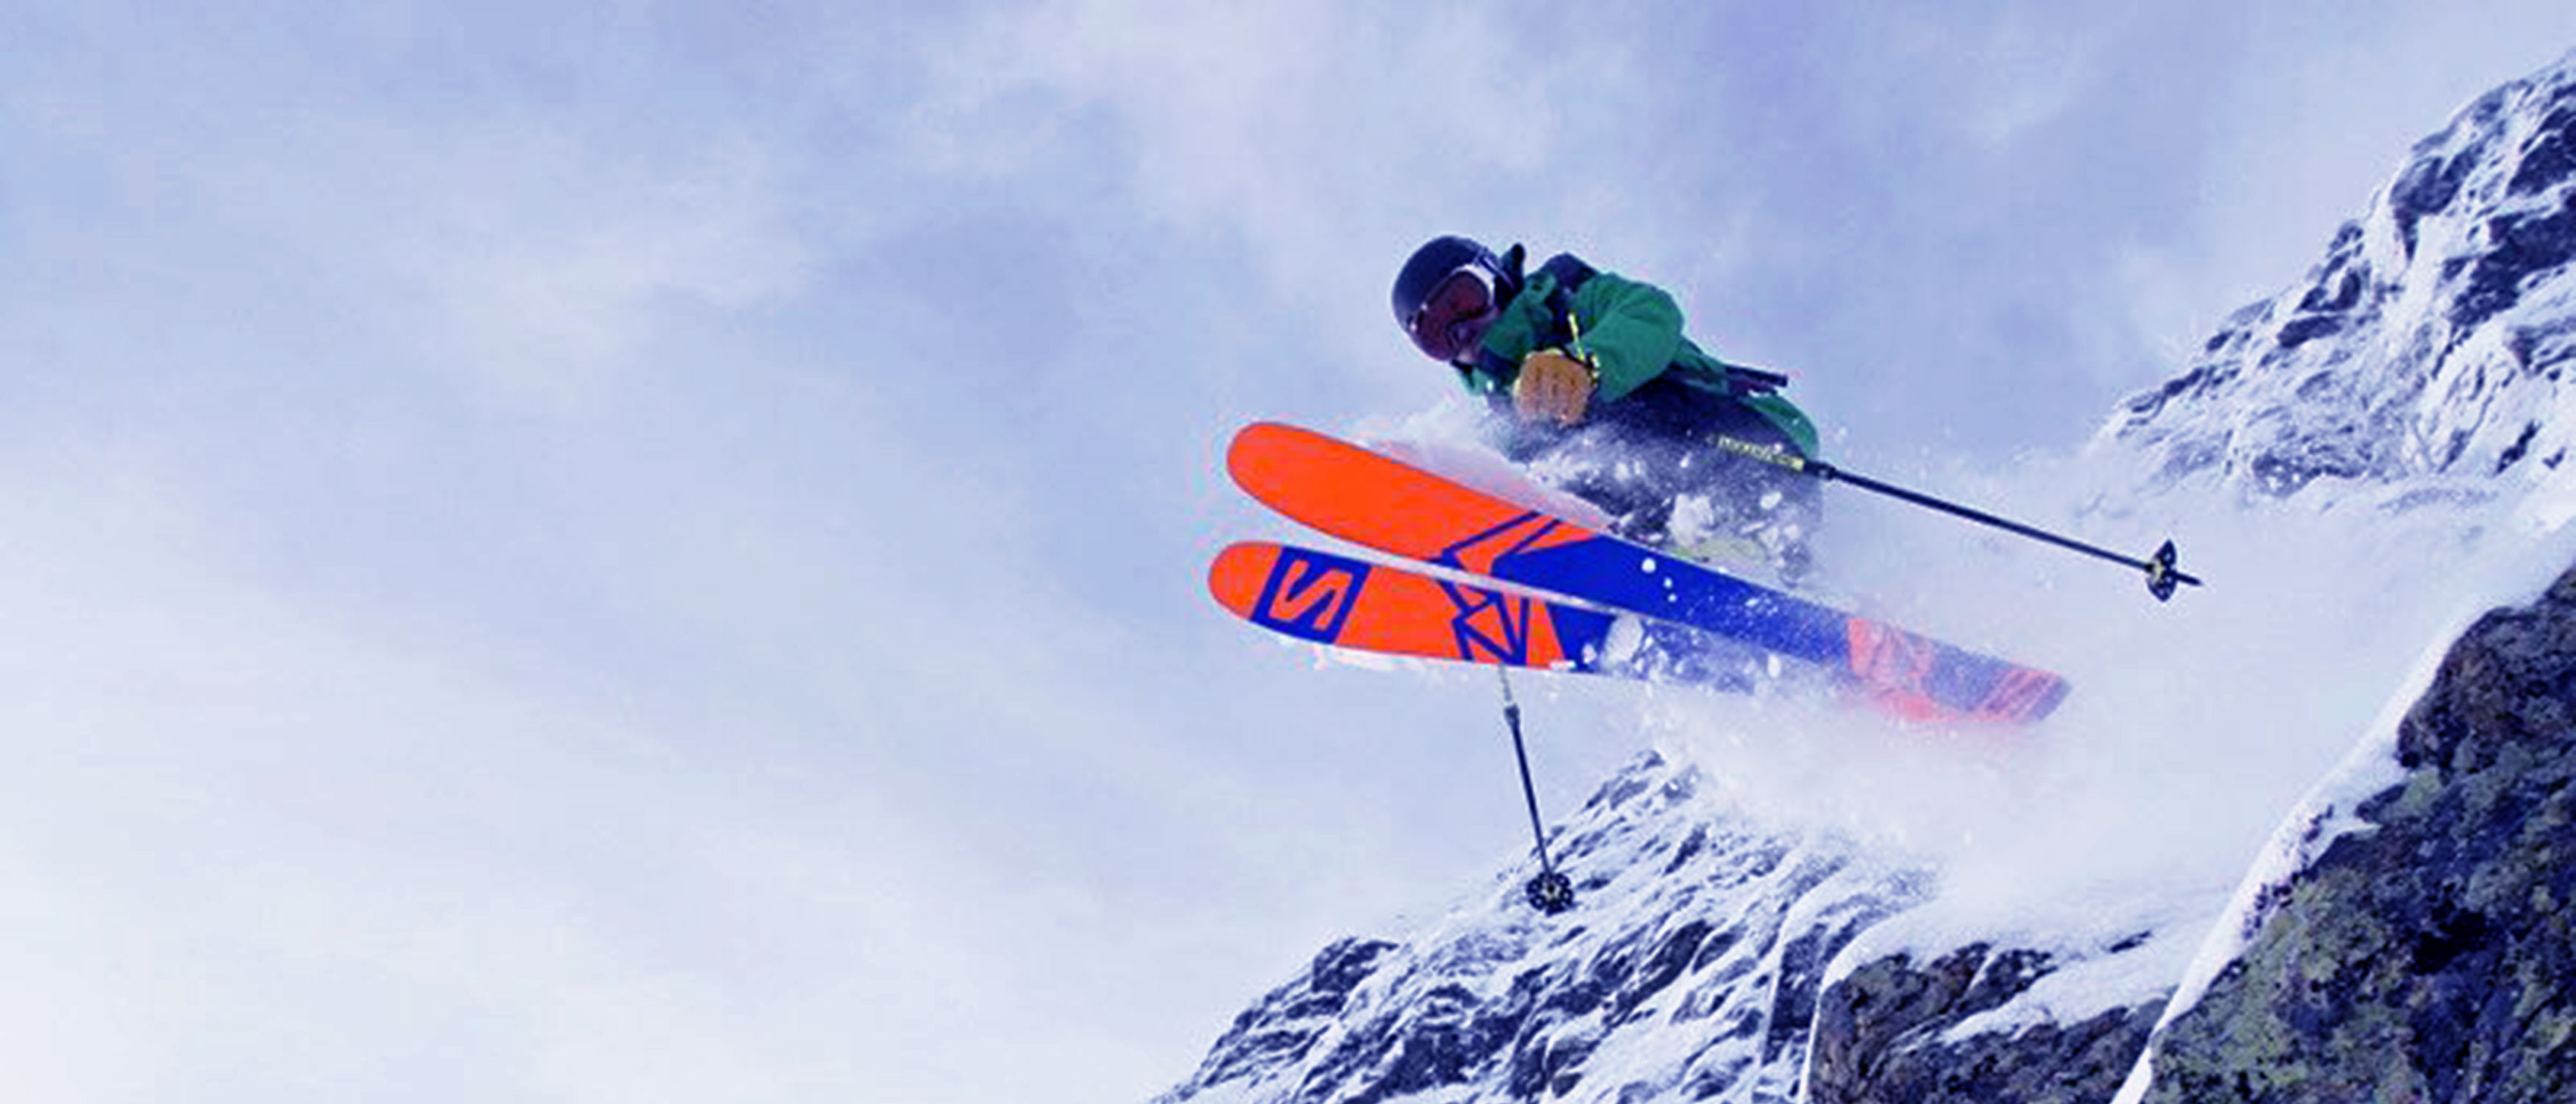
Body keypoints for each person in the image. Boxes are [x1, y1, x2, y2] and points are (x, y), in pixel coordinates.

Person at [1390, 235, 1823, 581]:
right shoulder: (1504, 418)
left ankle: (1730, 537)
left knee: (1578, 434)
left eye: (1462, 301)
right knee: (1521, 458)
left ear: (1497, 279)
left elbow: (1652, 315)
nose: (1461, 329)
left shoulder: (1577, 301)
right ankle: (1741, 576)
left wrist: (1586, 366)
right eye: (1435, 335)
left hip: (1753, 447)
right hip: (1677, 520)